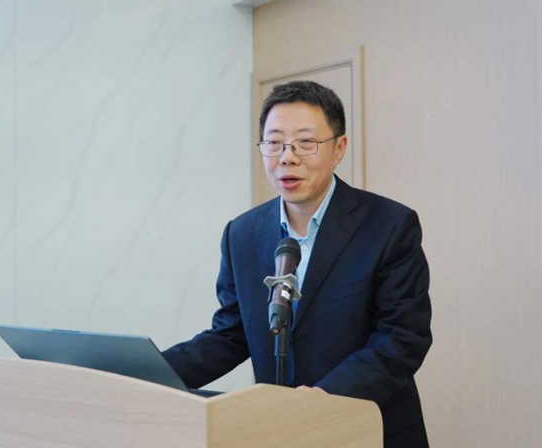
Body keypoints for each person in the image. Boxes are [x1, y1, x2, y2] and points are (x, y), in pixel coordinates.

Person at [162, 80, 432, 447]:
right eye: (274, 143)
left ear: (339, 148)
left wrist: (322, 398)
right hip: (281, 432)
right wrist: (154, 373)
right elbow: (231, 334)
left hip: (366, 430)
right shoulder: (242, 233)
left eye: (306, 142)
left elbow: (402, 338)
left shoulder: (389, 225)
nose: (287, 157)